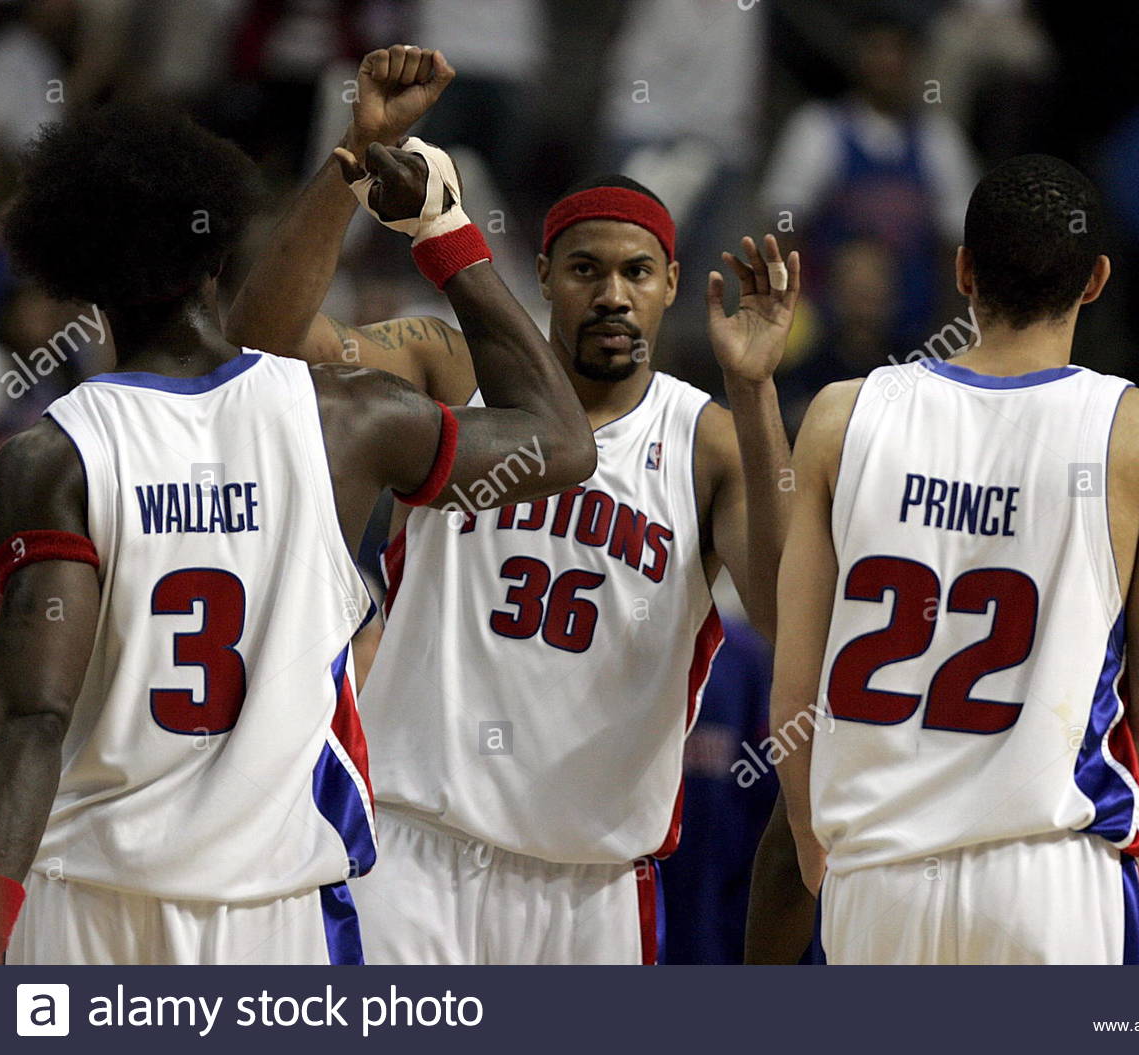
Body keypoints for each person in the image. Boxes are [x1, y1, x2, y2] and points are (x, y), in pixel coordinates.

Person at [0, 59, 595, 964]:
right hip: (274, 914)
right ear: (220, 248)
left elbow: (34, 717)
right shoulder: (341, 414)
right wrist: (444, 231)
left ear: (78, 278)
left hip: (88, 905)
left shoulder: (53, 454)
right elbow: (561, 443)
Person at [225, 44, 797, 965]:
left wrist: (758, 391)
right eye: (585, 271)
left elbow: (781, 607)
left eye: (637, 274)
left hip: (593, 881)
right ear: (543, 274)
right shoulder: (451, 365)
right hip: (417, 846)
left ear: (671, 288)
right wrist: (352, 158)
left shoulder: (710, 440)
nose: (612, 294)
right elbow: (261, 342)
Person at [764, 154, 1139, 965]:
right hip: (1045, 878)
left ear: (964, 270)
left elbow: (795, 688)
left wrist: (811, 841)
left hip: (876, 874)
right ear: (1097, 280)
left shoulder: (842, 414)